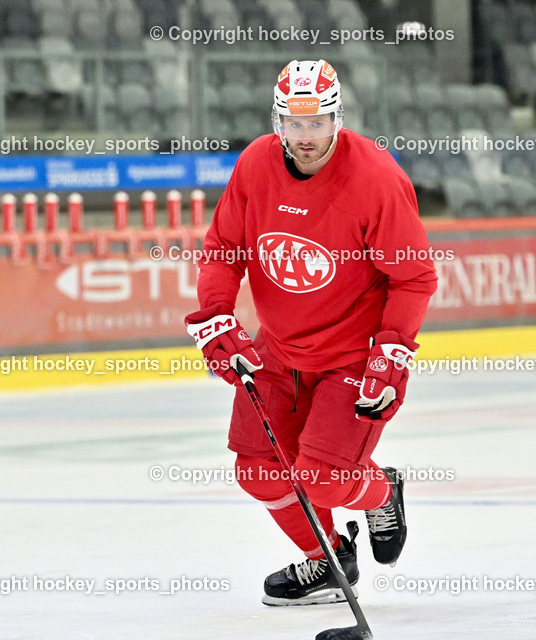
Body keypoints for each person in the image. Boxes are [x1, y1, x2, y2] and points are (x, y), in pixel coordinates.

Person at [185, 59, 437, 605]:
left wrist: (391, 354)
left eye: (317, 123)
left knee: (322, 478)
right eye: (293, 125)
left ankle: (379, 493)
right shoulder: (255, 164)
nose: (305, 138)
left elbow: (414, 277)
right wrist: (216, 317)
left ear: (337, 119)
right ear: (278, 121)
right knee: (257, 470)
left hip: (354, 358)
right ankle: (328, 561)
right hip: (277, 349)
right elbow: (223, 254)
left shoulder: (375, 179)